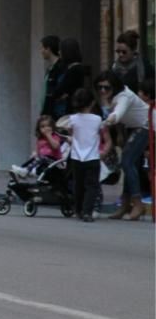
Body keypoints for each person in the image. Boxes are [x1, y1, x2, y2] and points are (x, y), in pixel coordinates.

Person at [95, 70, 150, 220]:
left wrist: (104, 123)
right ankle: (126, 204)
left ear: (115, 86)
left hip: (147, 125)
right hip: (133, 127)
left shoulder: (124, 96)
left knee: (127, 161)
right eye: (100, 87)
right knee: (129, 164)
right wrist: (119, 133)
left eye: (107, 87)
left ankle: (138, 204)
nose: (103, 90)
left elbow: (117, 114)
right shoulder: (109, 97)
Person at [66, 88, 110, 222]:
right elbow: (107, 139)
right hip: (93, 157)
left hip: (76, 156)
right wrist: (104, 152)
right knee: (92, 186)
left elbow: (70, 135)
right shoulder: (98, 119)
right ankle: (87, 212)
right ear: (92, 103)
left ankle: (78, 209)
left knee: (78, 184)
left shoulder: (72, 119)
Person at [53, 38, 86, 118]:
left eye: (61, 50)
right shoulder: (76, 68)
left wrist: (63, 95)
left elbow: (58, 91)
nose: (59, 53)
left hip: (71, 109)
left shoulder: (73, 69)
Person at [39, 35, 63, 118]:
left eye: (42, 48)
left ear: (48, 49)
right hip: (47, 113)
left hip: (54, 114)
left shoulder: (60, 68)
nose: (41, 51)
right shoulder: (50, 69)